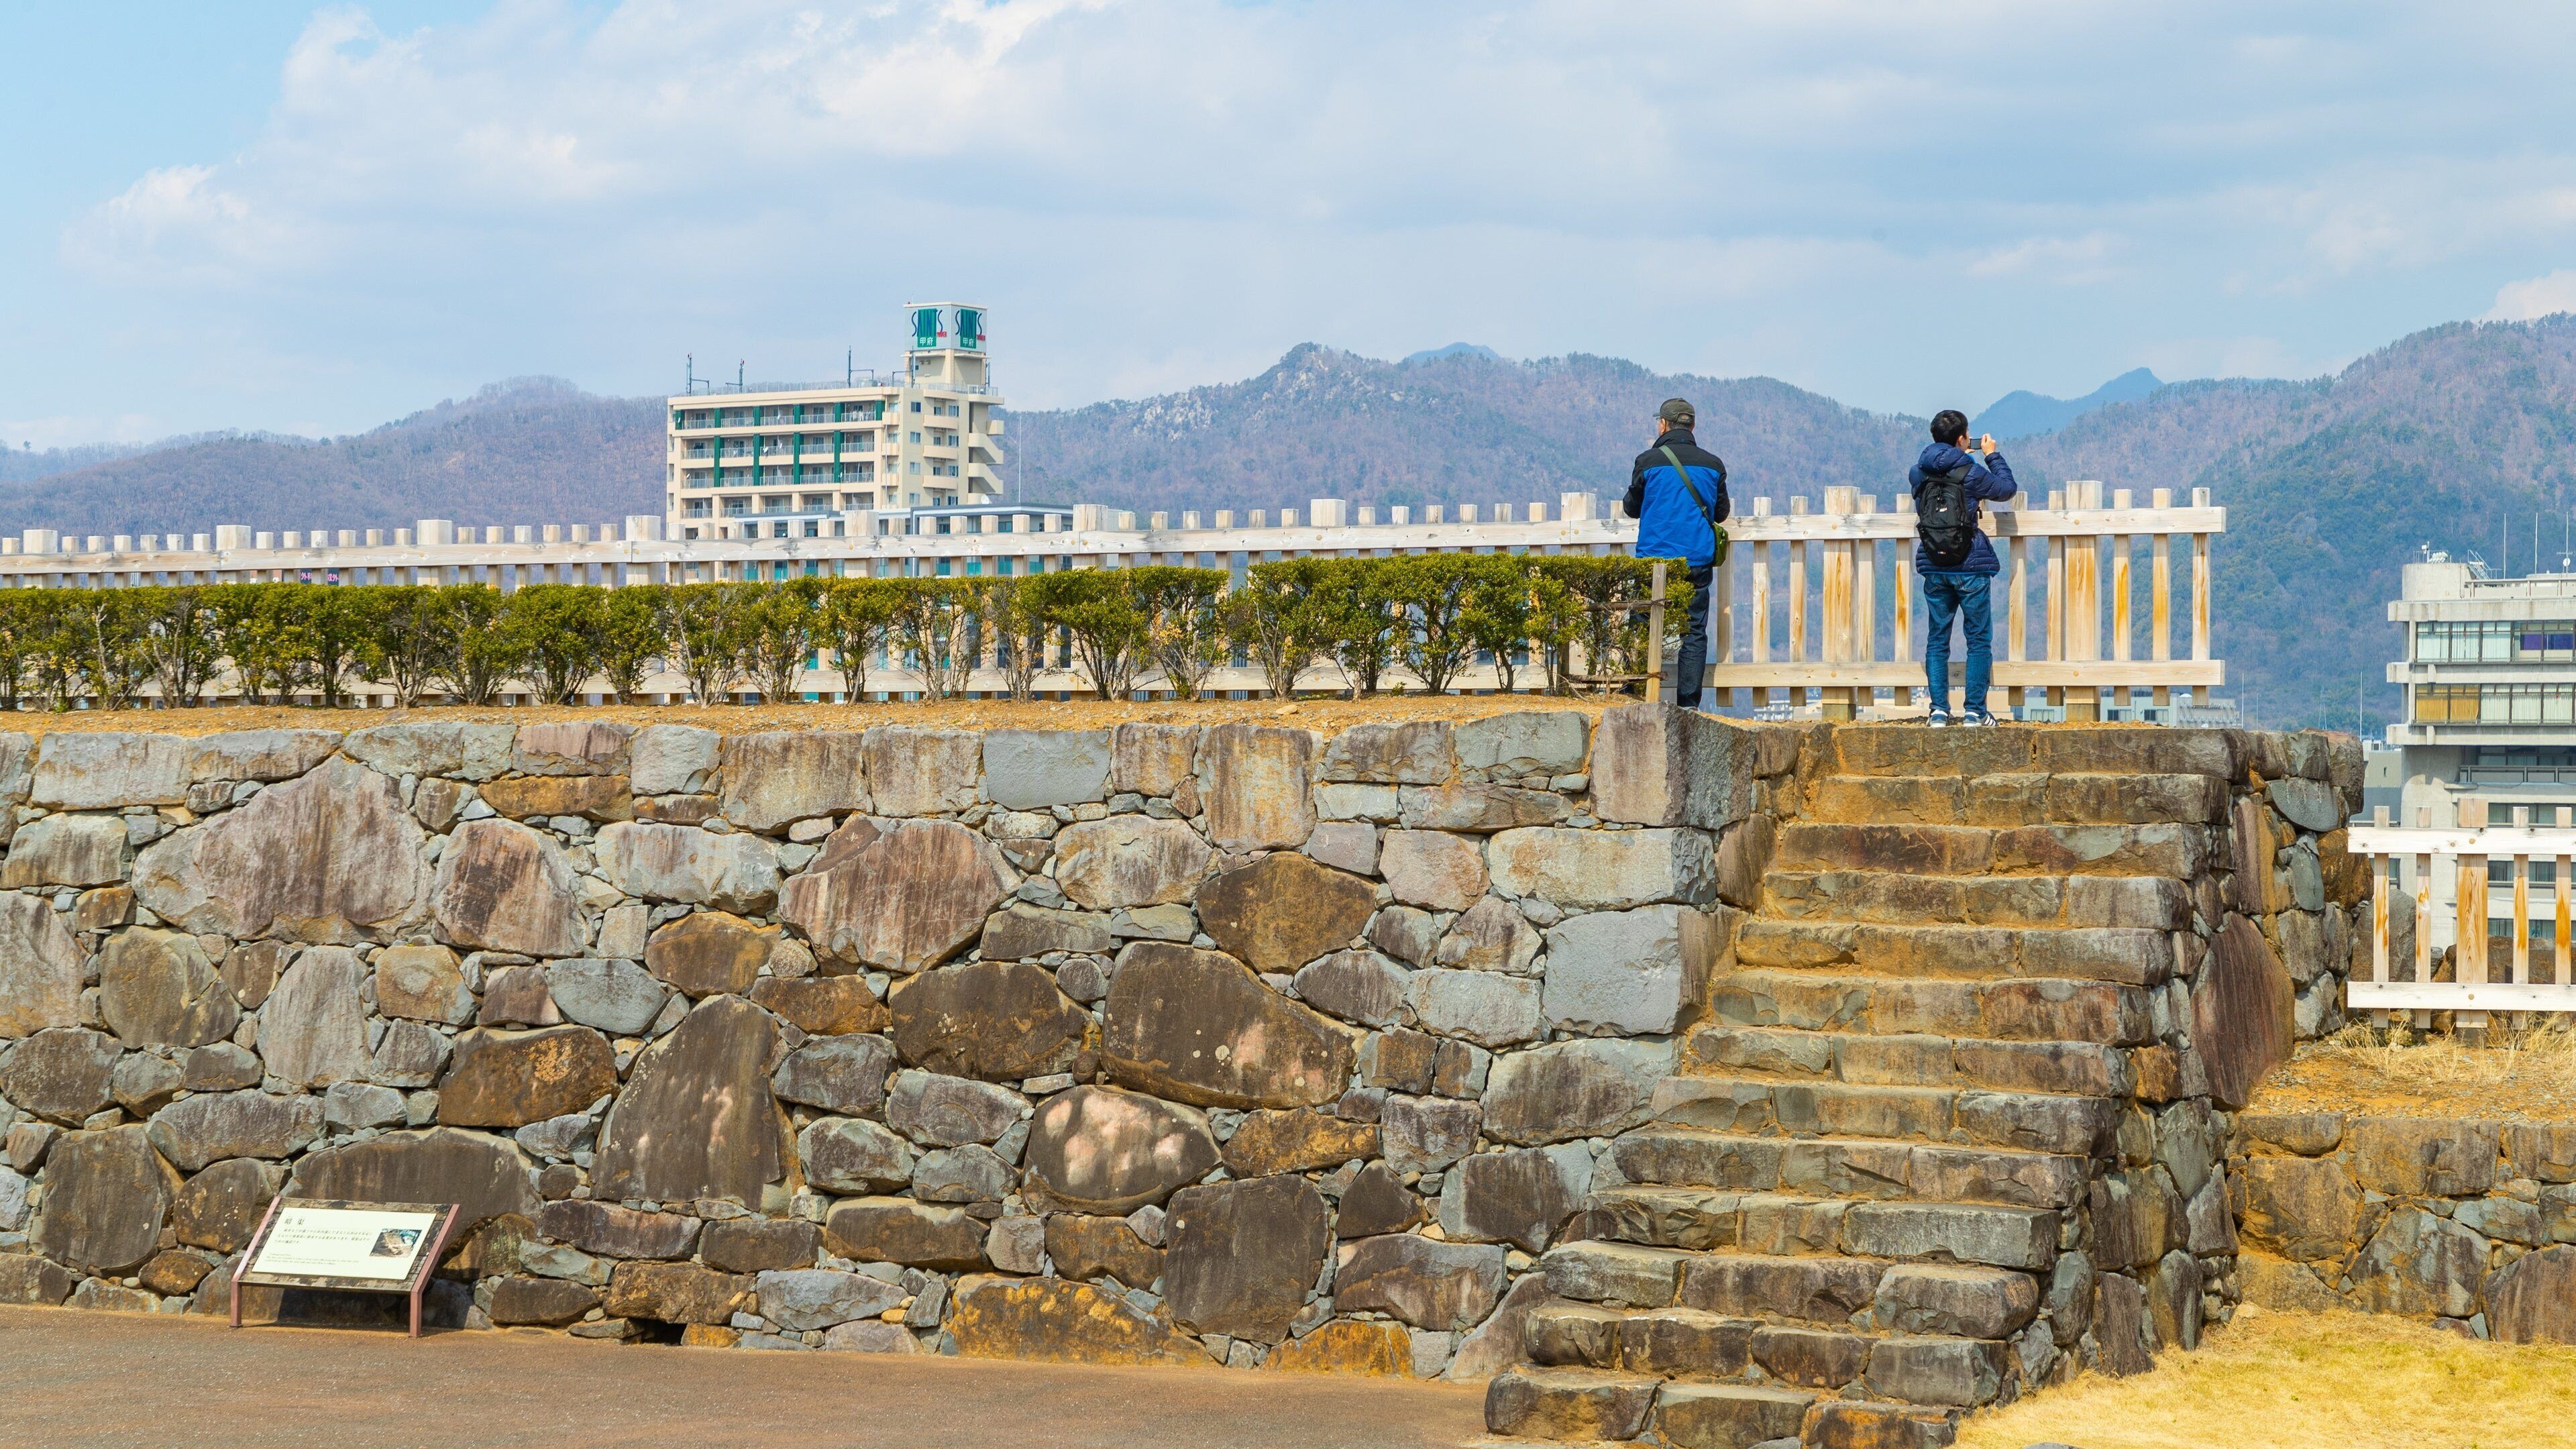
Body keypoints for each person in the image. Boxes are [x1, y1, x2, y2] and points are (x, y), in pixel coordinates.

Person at [1911, 409, 2019, 726]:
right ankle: (1975, 711)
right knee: (1978, 640)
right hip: (1970, 566)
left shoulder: (1918, 473)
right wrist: (1991, 455)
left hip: (1934, 565)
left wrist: (1953, 453)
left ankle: (1939, 711)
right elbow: (2006, 488)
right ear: (1962, 439)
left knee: (1937, 639)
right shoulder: (1970, 472)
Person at [1625, 397, 1731, 709]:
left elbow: (1632, 507)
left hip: (1654, 560)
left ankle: (1634, 691)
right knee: (1694, 631)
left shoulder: (1648, 461)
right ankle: (1688, 704)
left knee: (1643, 623)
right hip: (1697, 559)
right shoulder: (1713, 465)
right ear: (1693, 426)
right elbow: (1721, 512)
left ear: (1663, 425)